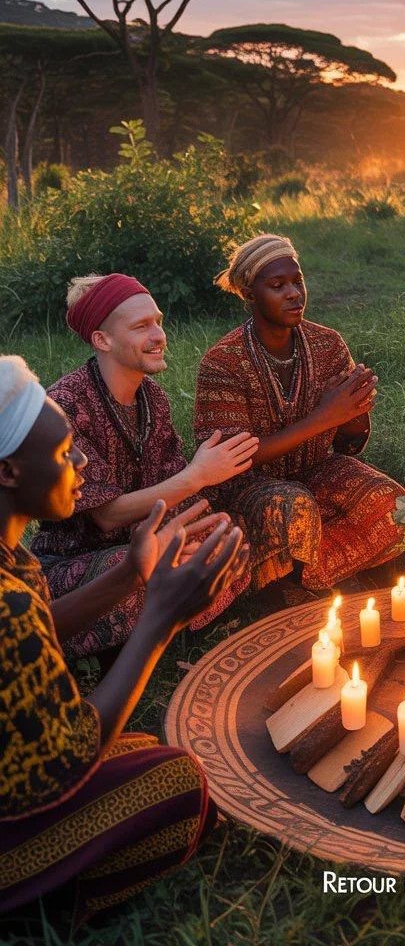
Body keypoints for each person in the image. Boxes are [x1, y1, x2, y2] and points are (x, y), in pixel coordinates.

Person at [0, 356, 248, 926]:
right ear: (9, 473)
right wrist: (157, 621)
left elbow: (32, 632)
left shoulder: (14, 556)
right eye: (66, 454)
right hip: (20, 799)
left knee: (139, 748)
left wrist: (130, 576)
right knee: (177, 781)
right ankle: (32, 907)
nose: (83, 460)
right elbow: (73, 752)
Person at [30, 274, 255, 659]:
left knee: (224, 535)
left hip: (141, 539)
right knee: (132, 568)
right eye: (141, 326)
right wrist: (199, 475)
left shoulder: (153, 398)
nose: (158, 335)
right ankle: (131, 643)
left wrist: (183, 533)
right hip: (77, 561)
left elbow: (170, 487)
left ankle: (165, 629)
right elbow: (106, 515)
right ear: (102, 340)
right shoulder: (66, 404)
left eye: (158, 322)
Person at [194, 234, 405, 592]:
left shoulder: (327, 343)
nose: (294, 293)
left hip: (316, 467)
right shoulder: (223, 362)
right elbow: (230, 462)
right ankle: (294, 590)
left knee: (390, 500)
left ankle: (332, 576)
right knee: (295, 508)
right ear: (249, 294)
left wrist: (355, 409)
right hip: (250, 485)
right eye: (278, 286)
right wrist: (324, 417)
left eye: (298, 281)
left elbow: (347, 446)